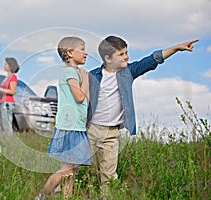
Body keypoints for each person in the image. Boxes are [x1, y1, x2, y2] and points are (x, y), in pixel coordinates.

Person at [87, 36, 198, 194]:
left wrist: (176, 48)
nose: (126, 56)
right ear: (108, 58)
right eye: (121, 54)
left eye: (126, 52)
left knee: (109, 176)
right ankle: (60, 195)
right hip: (90, 130)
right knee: (73, 168)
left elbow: (151, 60)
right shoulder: (92, 76)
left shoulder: (128, 72)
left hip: (111, 134)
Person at [35, 36, 92, 200]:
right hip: (70, 127)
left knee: (71, 169)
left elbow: (84, 103)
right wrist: (86, 80)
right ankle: (42, 195)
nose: (85, 53)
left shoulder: (75, 72)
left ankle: (67, 197)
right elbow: (80, 97)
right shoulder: (69, 72)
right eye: (81, 48)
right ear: (69, 52)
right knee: (67, 170)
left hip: (77, 126)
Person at [0, 57, 19, 135]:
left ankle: (10, 143)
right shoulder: (6, 77)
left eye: (6, 64)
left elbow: (12, 91)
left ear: (10, 66)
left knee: (7, 125)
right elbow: (4, 90)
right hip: (1, 102)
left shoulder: (13, 77)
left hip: (7, 103)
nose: (4, 65)